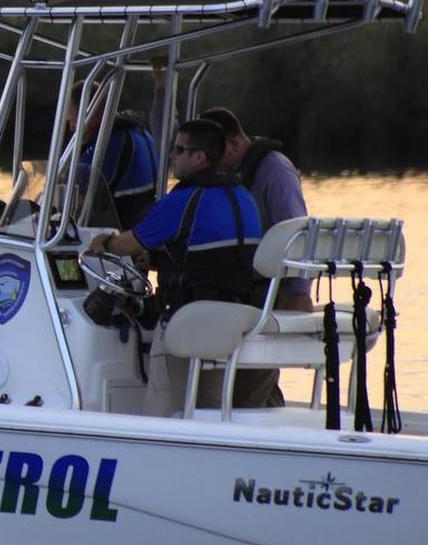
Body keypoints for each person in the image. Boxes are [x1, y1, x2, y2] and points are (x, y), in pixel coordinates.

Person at [87, 119, 263, 415]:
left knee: (162, 407)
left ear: (200, 158)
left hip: (187, 320)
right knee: (212, 409)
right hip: (233, 321)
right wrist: (156, 260)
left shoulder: (183, 199)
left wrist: (101, 242)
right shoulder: (244, 197)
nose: (170, 156)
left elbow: (125, 245)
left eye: (179, 150)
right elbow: (210, 257)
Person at [201, 107, 312, 408]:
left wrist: (299, 293)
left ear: (234, 144)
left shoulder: (275, 170)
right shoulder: (230, 173)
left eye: (215, 152)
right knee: (246, 379)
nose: (209, 162)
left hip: (271, 293)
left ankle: (253, 422)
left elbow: (297, 232)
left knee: (250, 384)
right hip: (242, 292)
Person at [68, 64, 163, 230]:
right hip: (141, 228)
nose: (72, 128)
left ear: (96, 115)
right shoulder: (139, 132)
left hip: (116, 236)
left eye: (74, 120)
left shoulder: (108, 144)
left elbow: (80, 197)